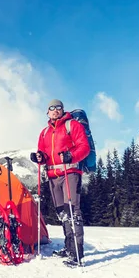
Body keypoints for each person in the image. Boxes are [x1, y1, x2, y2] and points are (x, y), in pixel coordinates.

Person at [30, 99, 90, 265]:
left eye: (58, 107)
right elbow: (44, 155)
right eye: (52, 108)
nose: (55, 110)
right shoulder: (44, 133)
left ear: (63, 110)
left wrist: (72, 156)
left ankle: (77, 253)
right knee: (62, 213)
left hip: (69, 172)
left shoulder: (72, 126)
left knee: (72, 212)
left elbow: (84, 147)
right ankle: (68, 247)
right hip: (52, 175)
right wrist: (39, 157)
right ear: (47, 112)